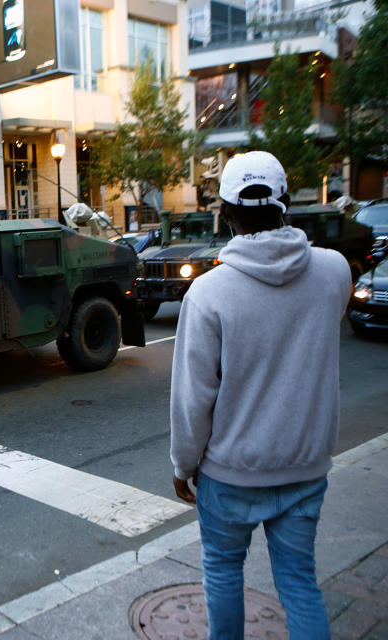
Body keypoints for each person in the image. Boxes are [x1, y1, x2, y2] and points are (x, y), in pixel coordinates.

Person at [169, 151, 351, 640]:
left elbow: (193, 399)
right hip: (305, 465)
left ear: (225, 212)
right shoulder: (333, 272)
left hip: (230, 474)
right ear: (285, 202)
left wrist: (184, 463)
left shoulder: (208, 294)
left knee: (223, 575)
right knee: (298, 583)